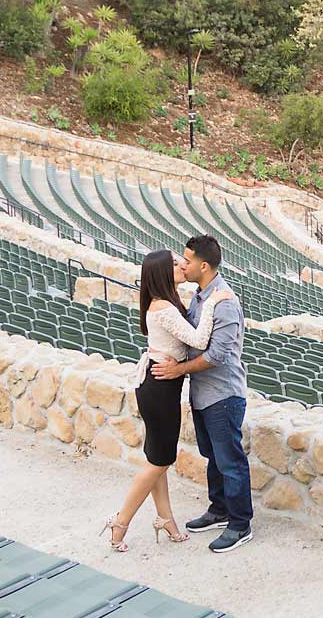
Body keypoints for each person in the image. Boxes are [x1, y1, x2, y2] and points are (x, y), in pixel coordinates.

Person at [101, 250, 214, 551]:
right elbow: (200, 341)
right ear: (163, 273)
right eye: (175, 264)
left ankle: (166, 520)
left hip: (158, 383)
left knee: (158, 460)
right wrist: (214, 302)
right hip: (161, 388)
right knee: (159, 462)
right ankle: (120, 521)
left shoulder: (165, 302)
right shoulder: (164, 307)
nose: (181, 266)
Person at [151, 234, 252, 553]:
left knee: (230, 460)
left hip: (222, 393)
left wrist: (178, 370)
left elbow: (218, 354)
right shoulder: (199, 296)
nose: (183, 263)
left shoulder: (224, 300)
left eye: (187, 260)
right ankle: (219, 509)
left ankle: (240, 524)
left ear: (203, 265)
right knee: (212, 456)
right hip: (202, 393)